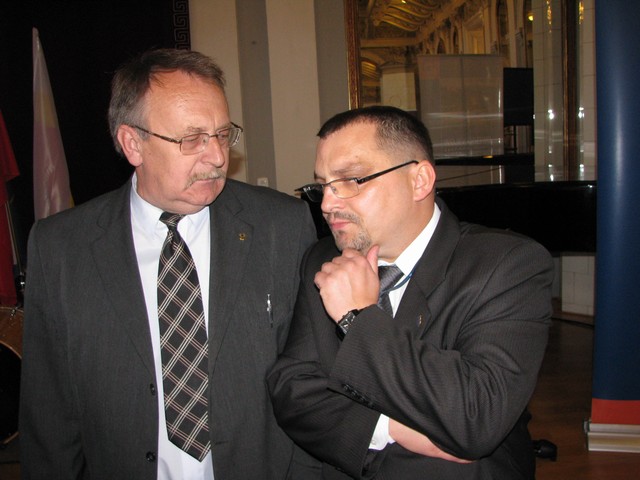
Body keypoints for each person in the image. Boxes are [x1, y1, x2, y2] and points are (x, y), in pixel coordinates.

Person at [19, 48, 317, 479]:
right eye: (192, 139)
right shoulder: (61, 248)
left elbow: (311, 384)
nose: (217, 157)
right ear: (132, 144)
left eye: (222, 134)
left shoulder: (281, 226)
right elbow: (49, 417)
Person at [267, 106, 554, 479]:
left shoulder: (506, 265)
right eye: (322, 185)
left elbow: (477, 416)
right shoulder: (322, 260)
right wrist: (388, 429)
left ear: (419, 180)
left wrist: (358, 317)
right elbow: (292, 389)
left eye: (351, 180)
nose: (326, 204)